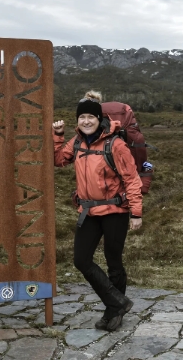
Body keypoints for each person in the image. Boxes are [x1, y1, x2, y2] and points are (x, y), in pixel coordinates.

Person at [52, 90, 143, 331]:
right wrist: (58, 136)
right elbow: (59, 160)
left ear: (99, 118)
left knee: (114, 263)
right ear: (77, 120)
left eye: (91, 117)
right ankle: (118, 302)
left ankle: (114, 312)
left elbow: (132, 179)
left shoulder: (116, 144)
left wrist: (136, 212)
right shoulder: (78, 141)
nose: (86, 121)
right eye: (82, 118)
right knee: (81, 260)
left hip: (116, 212)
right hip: (89, 212)